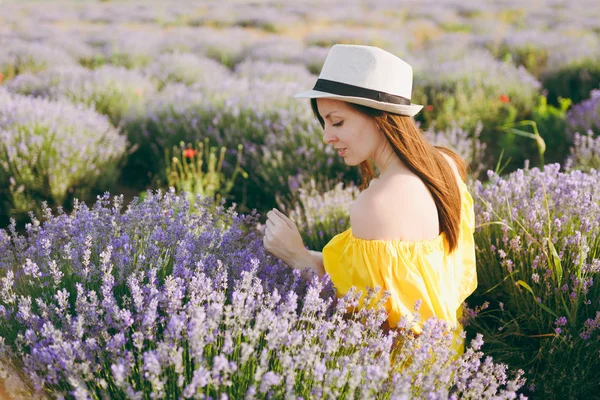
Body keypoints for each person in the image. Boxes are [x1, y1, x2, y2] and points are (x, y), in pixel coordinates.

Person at [262, 44, 477, 355]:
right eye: (324, 123)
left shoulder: (377, 204)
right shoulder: (444, 165)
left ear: (379, 118)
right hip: (441, 361)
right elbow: (411, 279)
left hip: (397, 376)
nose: (326, 136)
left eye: (337, 122)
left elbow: (367, 318)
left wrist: (296, 257)